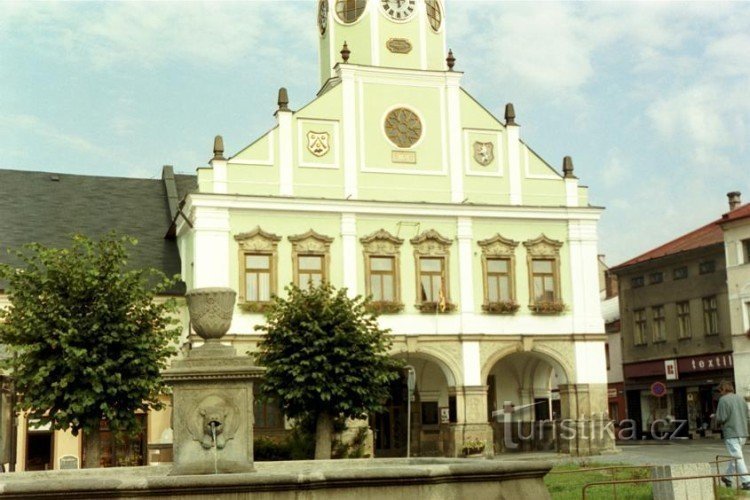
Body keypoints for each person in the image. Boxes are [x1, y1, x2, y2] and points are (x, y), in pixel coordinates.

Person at [714, 380, 750, 489]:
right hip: (743, 432)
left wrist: (715, 418)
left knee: (738, 458)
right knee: (736, 456)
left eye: (720, 390)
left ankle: (747, 482)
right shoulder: (740, 399)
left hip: (731, 432)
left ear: (723, 389)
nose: (720, 393)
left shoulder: (723, 400)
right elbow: (747, 415)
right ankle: (728, 478)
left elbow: (721, 418)